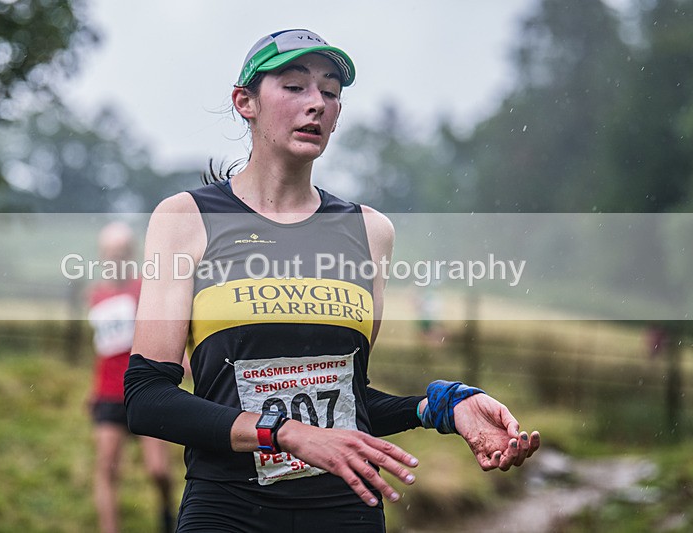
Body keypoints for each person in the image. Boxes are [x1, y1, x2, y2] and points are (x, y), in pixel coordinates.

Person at [125, 29, 540, 532]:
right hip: (228, 510)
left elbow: (348, 403)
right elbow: (147, 398)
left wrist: (442, 407)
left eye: (330, 91)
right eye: (295, 86)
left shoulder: (370, 232)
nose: (317, 104)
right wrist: (284, 433)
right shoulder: (186, 219)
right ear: (245, 102)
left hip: (345, 512)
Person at [87, 221, 176, 533]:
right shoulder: (95, 296)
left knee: (158, 471)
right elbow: (103, 350)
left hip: (143, 389)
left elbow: (165, 333)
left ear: (131, 254)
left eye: (122, 252)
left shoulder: (144, 289)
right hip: (108, 395)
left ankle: (168, 510)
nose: (115, 258)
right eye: (110, 253)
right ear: (102, 256)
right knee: (107, 471)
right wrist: (92, 391)